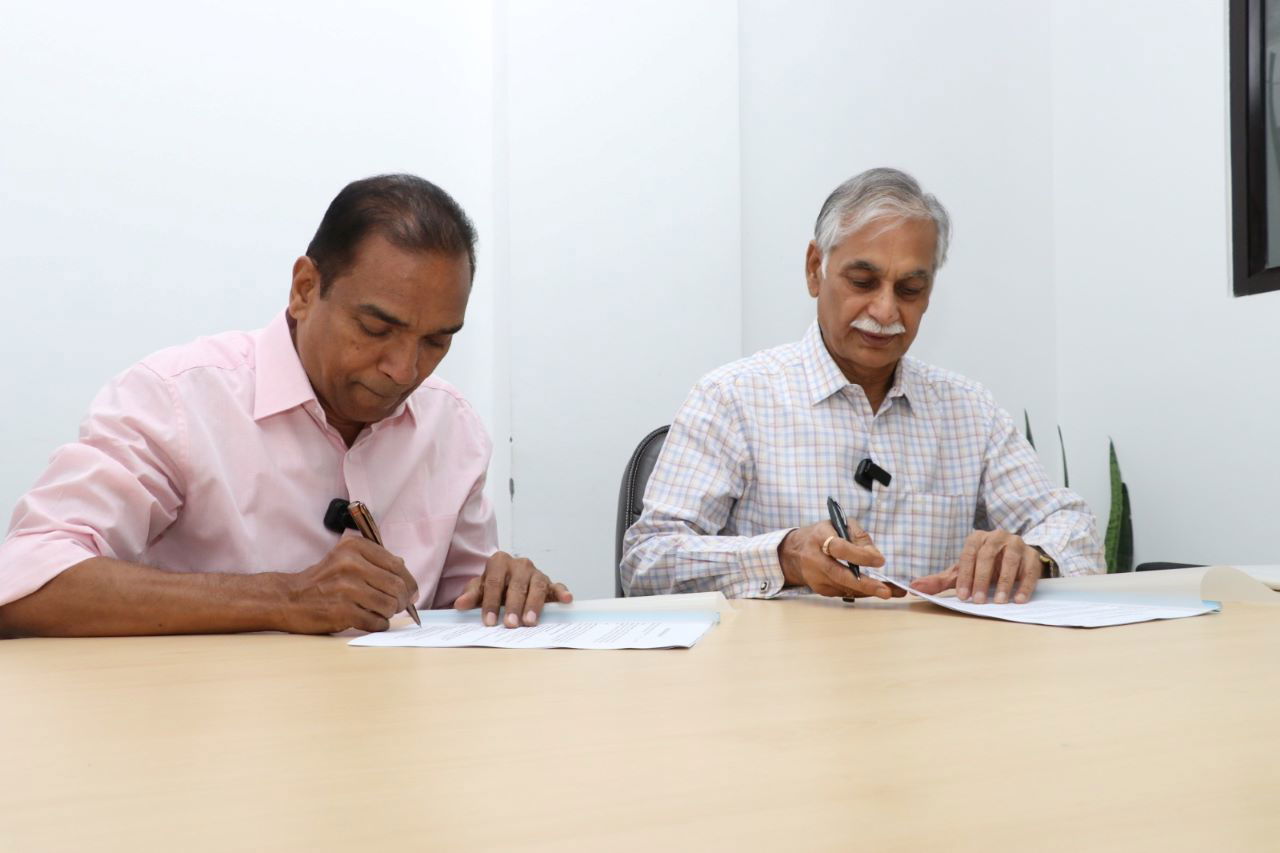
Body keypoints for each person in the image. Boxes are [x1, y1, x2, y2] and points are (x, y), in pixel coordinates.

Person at [0, 173, 570, 637]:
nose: (405, 369)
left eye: (436, 341)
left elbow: (457, 608)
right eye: (376, 328)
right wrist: (283, 597)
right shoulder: (177, 399)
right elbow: (25, 582)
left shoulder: (452, 427)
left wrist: (505, 590)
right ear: (304, 289)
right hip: (204, 740)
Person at [622, 167, 1103, 603]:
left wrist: (1034, 556)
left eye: (909, 290)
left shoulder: (968, 411)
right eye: (863, 281)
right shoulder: (732, 399)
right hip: (778, 680)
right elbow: (647, 561)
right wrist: (783, 558)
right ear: (816, 269)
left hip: (936, 677)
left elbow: (1074, 528)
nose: (886, 312)